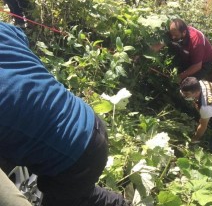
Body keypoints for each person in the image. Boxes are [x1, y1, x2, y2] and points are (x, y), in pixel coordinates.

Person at [0, 22, 130, 206]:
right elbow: (19, 35)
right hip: (88, 122)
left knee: (73, 197)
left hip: (75, 157)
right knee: (81, 195)